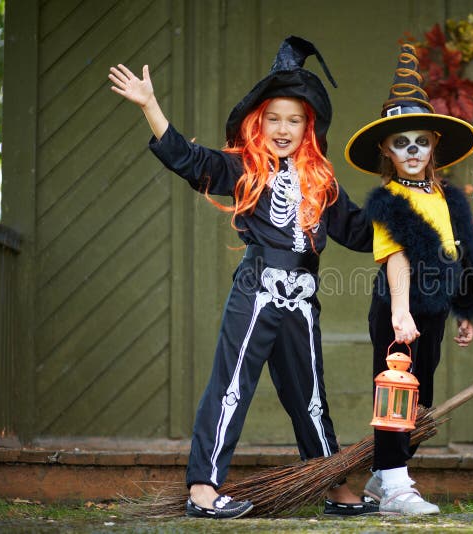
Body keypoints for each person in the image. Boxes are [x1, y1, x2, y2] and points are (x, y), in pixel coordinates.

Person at [108, 36, 379, 519]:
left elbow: (360, 233)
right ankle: (203, 489)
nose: (283, 128)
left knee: (311, 397)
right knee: (231, 385)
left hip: (302, 295)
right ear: (259, 121)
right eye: (273, 118)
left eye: (294, 120)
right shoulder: (243, 168)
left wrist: (402, 213)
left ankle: (331, 483)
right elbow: (192, 162)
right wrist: (151, 106)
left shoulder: (323, 181)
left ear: (307, 126)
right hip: (258, 288)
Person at [345, 44, 473, 515]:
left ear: (433, 145)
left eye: (420, 141)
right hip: (399, 305)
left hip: (434, 307)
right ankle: (396, 484)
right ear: (386, 149)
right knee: (395, 392)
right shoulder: (388, 199)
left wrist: (465, 309)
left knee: (420, 398)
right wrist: (400, 312)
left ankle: (382, 478)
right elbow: (398, 260)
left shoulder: (448, 197)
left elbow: (463, 253)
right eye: (401, 142)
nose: (411, 151)